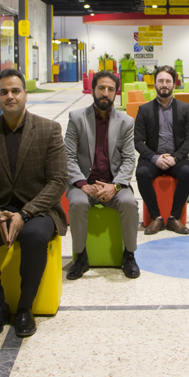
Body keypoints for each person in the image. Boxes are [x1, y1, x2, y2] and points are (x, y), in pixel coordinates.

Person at [0, 69, 68, 338]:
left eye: (15, 91)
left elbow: (58, 180)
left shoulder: (48, 129)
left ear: (25, 94)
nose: (10, 96)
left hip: (38, 209)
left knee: (35, 237)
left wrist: (25, 213)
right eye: (4, 92)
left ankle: (24, 308)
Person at [65, 70, 140, 280]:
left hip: (113, 184)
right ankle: (80, 257)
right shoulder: (76, 118)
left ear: (116, 93)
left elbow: (129, 160)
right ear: (92, 90)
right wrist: (82, 184)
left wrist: (114, 186)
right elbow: (68, 156)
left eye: (110, 89)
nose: (105, 93)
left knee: (129, 203)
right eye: (101, 88)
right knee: (77, 204)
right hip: (84, 184)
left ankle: (129, 255)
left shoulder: (126, 122)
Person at [135, 65, 189, 236]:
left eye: (168, 81)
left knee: (188, 173)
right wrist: (155, 158)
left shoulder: (185, 108)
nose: (164, 84)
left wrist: (175, 158)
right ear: (154, 84)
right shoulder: (144, 110)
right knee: (141, 173)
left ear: (174, 85)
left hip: (176, 158)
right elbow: (138, 141)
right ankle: (156, 217)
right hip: (153, 158)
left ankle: (174, 217)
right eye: (160, 81)